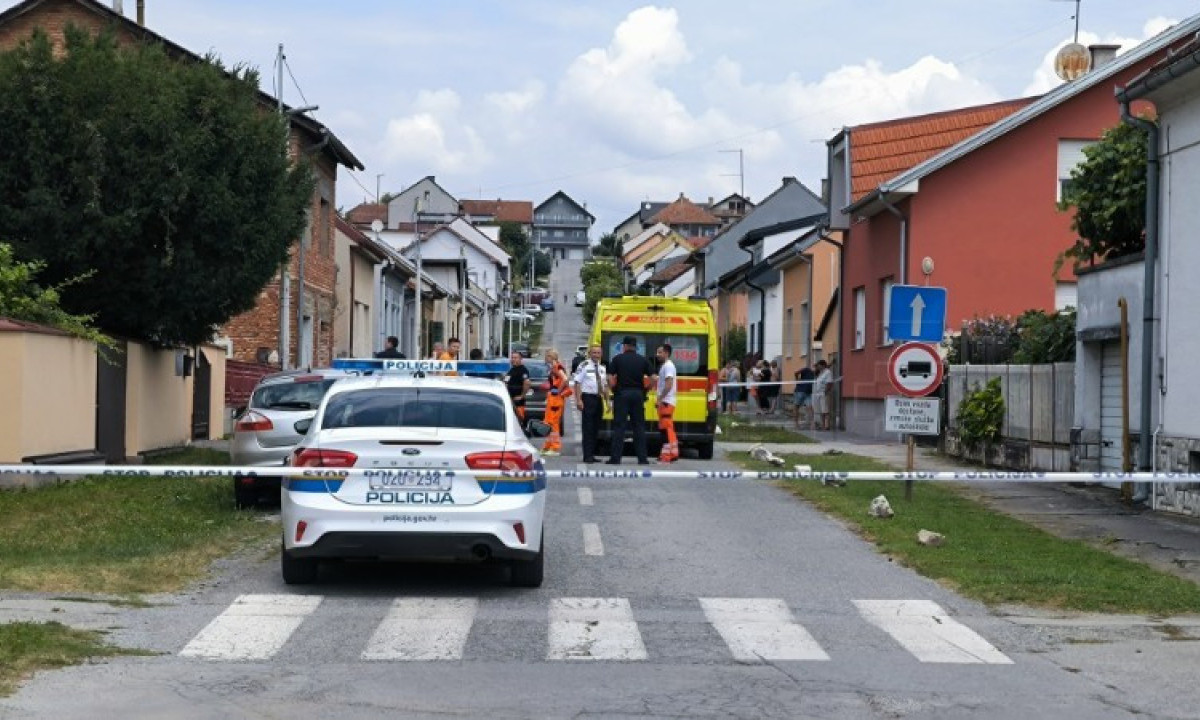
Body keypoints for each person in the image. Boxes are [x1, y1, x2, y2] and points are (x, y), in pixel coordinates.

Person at [607, 336, 653, 465]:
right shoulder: (643, 360)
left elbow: (610, 377)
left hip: (622, 394)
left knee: (619, 427)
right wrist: (646, 389)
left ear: (625, 346)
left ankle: (615, 458)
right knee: (639, 427)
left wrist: (614, 388)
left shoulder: (617, 359)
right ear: (635, 346)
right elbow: (653, 377)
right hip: (638, 395)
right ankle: (642, 458)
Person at [571, 344, 608, 463]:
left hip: (598, 399)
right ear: (590, 354)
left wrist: (608, 402)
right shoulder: (584, 366)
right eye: (594, 353)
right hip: (587, 398)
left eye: (598, 353)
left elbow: (604, 386)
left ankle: (592, 454)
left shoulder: (602, 368)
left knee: (596, 428)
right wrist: (579, 400)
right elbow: (577, 383)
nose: (596, 355)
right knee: (588, 428)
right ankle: (587, 456)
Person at [540, 349, 572, 456]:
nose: (546, 358)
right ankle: (548, 446)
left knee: (553, 424)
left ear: (552, 357)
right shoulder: (554, 367)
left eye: (547, 356)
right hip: (553, 398)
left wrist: (558, 391)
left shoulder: (557, 367)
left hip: (556, 399)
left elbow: (565, 379)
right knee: (548, 423)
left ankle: (554, 448)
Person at [653, 344, 678, 463]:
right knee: (667, 429)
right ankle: (670, 453)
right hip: (667, 401)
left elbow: (668, 384)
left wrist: (660, 399)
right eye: (657, 352)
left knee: (665, 430)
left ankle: (668, 455)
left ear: (666, 353)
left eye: (660, 352)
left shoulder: (668, 366)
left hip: (666, 402)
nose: (657, 355)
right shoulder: (667, 366)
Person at [502, 350, 532, 426]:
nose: (513, 359)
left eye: (515, 358)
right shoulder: (512, 370)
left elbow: (527, 382)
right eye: (512, 358)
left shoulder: (523, 370)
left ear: (520, 359)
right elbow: (505, 381)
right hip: (511, 400)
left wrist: (522, 396)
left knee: (519, 421)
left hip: (518, 402)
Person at [812, 359, 833, 431]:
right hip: (818, 393)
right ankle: (823, 425)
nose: (817, 366)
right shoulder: (820, 373)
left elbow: (829, 383)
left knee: (825, 410)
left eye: (818, 365)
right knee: (821, 410)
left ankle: (827, 426)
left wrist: (825, 392)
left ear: (823, 365)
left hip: (824, 393)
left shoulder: (828, 372)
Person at [793, 364, 815, 428]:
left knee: (809, 407)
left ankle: (812, 424)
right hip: (800, 390)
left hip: (807, 392)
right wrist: (797, 380)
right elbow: (796, 372)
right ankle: (796, 424)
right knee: (797, 407)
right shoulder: (806, 369)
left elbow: (796, 373)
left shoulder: (814, 372)